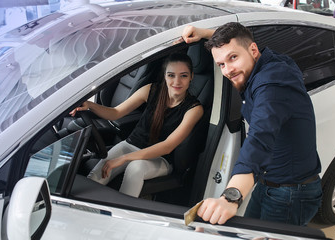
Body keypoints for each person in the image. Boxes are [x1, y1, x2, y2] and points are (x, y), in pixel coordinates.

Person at [179, 22, 322, 226]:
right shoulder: (264, 59)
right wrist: (204, 33)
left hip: (291, 194)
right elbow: (240, 42)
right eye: (221, 64)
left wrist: (231, 197)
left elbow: (259, 139)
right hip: (266, 182)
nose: (228, 70)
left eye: (233, 58)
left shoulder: (272, 85)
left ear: (253, 50)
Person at [70, 53, 204, 198]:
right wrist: (89, 105)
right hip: (130, 145)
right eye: (171, 75)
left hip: (160, 158)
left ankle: (122, 214)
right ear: (165, 76)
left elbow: (167, 146)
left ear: (191, 76)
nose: (177, 81)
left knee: (136, 167)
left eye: (183, 75)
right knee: (95, 178)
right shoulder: (150, 90)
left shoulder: (194, 109)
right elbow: (116, 113)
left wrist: (125, 158)